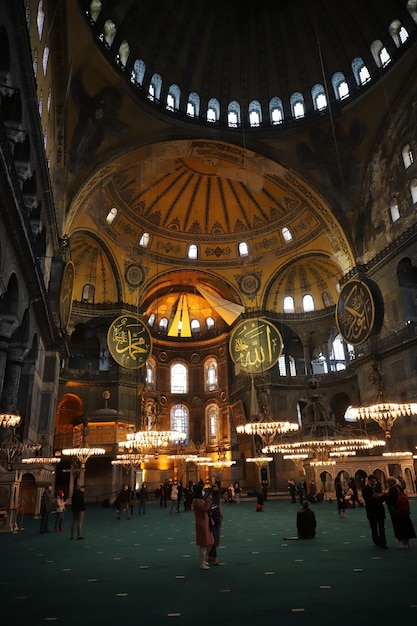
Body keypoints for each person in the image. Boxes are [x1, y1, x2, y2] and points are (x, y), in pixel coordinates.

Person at [385, 476, 416, 548]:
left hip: (398, 511)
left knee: (401, 526)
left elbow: (392, 501)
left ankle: (404, 543)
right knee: (406, 525)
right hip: (404, 510)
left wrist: (386, 497)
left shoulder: (393, 490)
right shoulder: (399, 488)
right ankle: (406, 543)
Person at [361, 474, 387, 548]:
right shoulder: (365, 489)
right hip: (371, 510)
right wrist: (374, 497)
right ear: (368, 481)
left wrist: (382, 496)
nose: (373, 483)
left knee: (382, 527)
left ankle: (383, 543)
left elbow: (382, 498)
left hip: (380, 510)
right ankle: (376, 541)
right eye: (372, 481)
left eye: (374, 481)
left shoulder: (378, 487)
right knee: (374, 527)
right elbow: (367, 499)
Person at [193, 486, 214, 570]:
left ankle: (203, 559)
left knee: (210, 542)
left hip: (206, 523)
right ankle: (201, 563)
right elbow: (204, 508)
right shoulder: (196, 501)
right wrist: (208, 499)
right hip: (201, 524)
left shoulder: (200, 500)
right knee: (203, 544)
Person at [207, 483, 223, 565]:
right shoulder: (209, 498)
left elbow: (219, 506)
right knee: (213, 537)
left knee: (215, 537)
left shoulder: (218, 498)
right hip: (211, 519)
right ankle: (214, 556)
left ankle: (211, 555)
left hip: (217, 518)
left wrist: (221, 515)